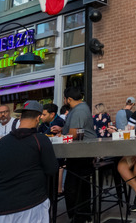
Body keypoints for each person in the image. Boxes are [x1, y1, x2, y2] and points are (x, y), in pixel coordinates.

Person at [0, 100, 58, 222]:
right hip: (33, 205)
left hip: (2, 210)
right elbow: (52, 169)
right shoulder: (40, 140)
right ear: (38, 118)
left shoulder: (0, 144)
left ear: (20, 118)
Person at [62, 87, 97, 223]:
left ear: (69, 99)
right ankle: (82, 215)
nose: (64, 101)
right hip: (80, 152)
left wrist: (61, 136)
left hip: (82, 153)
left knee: (74, 186)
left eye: (65, 99)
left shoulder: (79, 110)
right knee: (79, 185)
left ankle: (80, 216)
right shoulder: (78, 109)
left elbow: (74, 133)